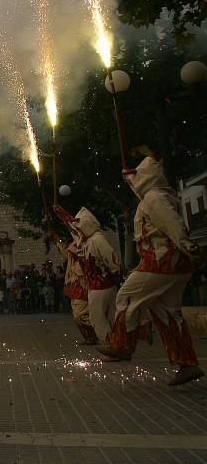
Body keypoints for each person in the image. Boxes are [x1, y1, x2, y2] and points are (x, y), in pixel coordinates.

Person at [97, 157, 203, 385]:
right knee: (168, 315)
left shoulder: (155, 198)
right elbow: (147, 198)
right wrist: (130, 180)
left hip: (161, 261)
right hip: (176, 265)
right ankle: (187, 364)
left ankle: (123, 345)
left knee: (126, 298)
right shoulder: (157, 195)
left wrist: (188, 246)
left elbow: (172, 223)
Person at [50, 215, 98, 345]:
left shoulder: (90, 242)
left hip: (84, 283)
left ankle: (100, 332)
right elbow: (67, 255)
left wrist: (60, 212)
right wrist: (57, 241)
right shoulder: (76, 244)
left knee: (80, 315)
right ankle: (91, 337)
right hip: (74, 283)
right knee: (77, 315)